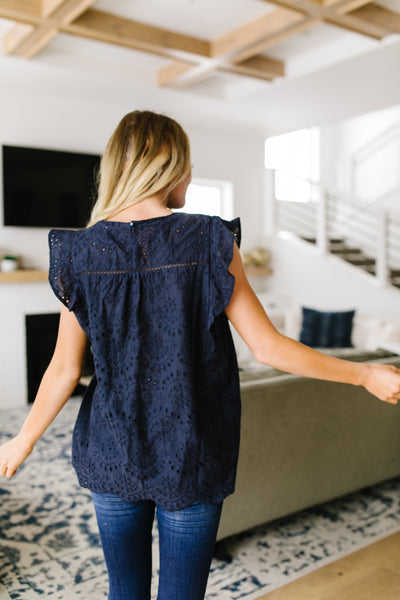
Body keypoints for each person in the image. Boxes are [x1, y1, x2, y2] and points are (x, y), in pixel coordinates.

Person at [0, 110, 400, 600]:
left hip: (110, 447)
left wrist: (23, 439)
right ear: (171, 167)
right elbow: (269, 348)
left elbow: (64, 369)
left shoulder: (83, 252)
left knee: (124, 591)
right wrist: (363, 375)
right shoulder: (210, 240)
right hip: (192, 448)